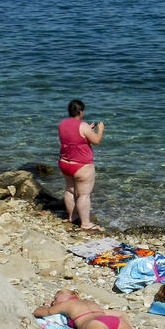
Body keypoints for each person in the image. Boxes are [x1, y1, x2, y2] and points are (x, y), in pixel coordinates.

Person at [58, 99, 105, 231]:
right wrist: (100, 130)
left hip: (65, 163)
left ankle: (72, 217)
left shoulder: (62, 124)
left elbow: (73, 138)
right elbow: (96, 141)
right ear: (81, 112)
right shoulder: (83, 126)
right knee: (84, 194)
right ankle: (85, 223)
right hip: (81, 166)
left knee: (70, 190)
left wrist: (87, 131)